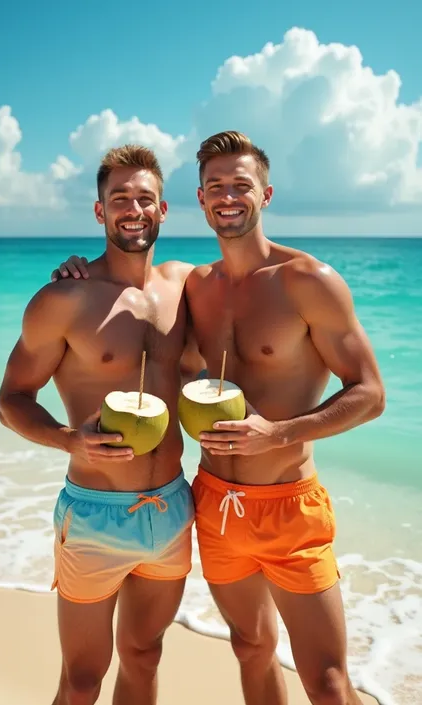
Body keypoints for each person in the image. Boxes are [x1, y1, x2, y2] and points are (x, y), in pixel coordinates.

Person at [50, 131, 385, 705]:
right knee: (251, 647)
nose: (228, 196)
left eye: (241, 185)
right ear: (200, 202)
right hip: (212, 504)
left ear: (267, 193)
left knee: (328, 685)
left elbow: (371, 393)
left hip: (289, 505)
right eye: (215, 187)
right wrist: (78, 271)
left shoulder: (309, 280)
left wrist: (278, 432)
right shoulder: (194, 286)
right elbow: (144, 328)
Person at [0, 145, 204, 705]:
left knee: (144, 657)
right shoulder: (64, 298)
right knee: (83, 679)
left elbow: (254, 289)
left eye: (145, 198)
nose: (133, 209)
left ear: (163, 210)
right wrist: (67, 439)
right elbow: (12, 399)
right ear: (99, 211)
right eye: (120, 199)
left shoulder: (188, 285)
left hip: (170, 509)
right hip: (94, 515)